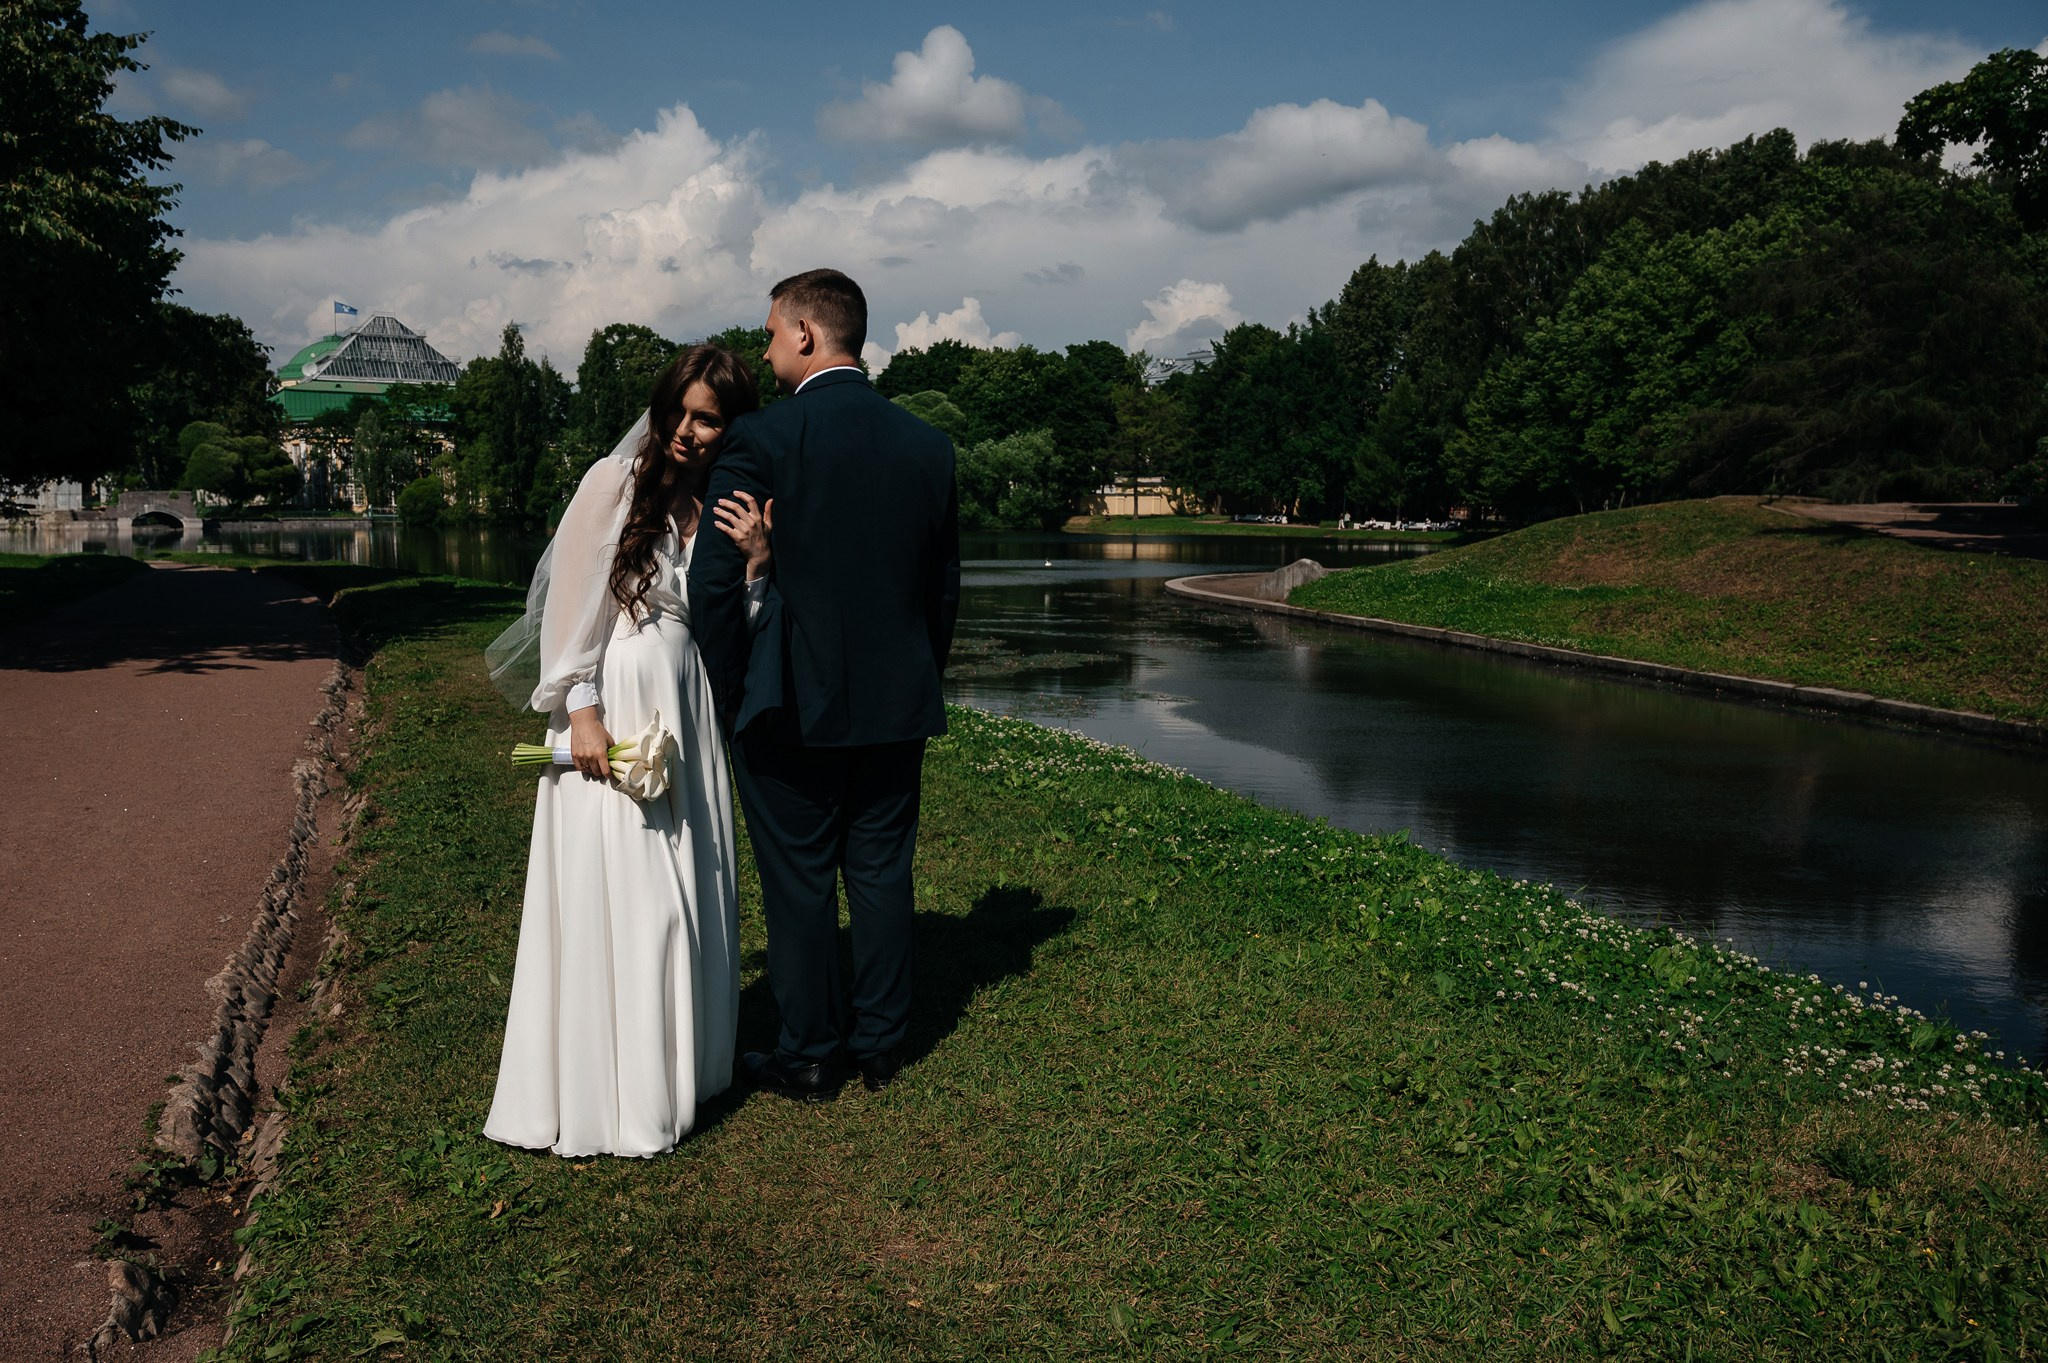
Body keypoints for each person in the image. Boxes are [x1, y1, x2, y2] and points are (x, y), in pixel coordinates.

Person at [480, 345, 772, 1157]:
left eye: (707, 417)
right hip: (614, 711)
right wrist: (581, 709)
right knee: (637, 899)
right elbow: (568, 604)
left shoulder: (724, 501)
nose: (686, 430)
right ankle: (616, 1092)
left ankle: (686, 1069)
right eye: (677, 410)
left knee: (689, 890)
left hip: (690, 714)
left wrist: (756, 567)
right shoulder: (612, 484)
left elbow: (730, 635)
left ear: (730, 426)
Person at [689, 268, 960, 1103]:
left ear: (806, 333)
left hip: (786, 703)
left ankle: (809, 1053)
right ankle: (882, 1044)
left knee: (801, 877)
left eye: (771, 333)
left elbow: (711, 589)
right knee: (881, 868)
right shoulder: (927, 445)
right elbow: (941, 592)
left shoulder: (760, 442)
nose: (766, 349)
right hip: (894, 701)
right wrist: (917, 674)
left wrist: (733, 693)